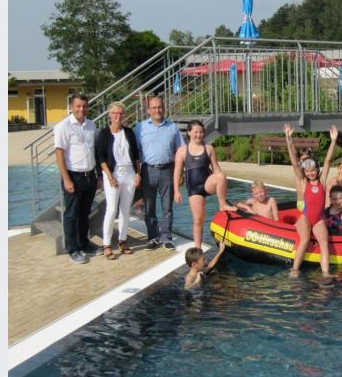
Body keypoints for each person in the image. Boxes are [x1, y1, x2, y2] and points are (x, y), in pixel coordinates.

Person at [284, 123, 338, 279]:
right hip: (306, 218)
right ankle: (295, 269)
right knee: (305, 239)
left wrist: (333, 140)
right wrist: (288, 139)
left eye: (313, 170)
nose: (310, 173)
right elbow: (294, 163)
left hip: (319, 219)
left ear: (317, 170)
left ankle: (326, 273)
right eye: (307, 171)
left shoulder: (322, 180)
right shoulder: (304, 181)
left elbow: (328, 161)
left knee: (324, 244)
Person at [174, 120, 237, 250]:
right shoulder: (182, 151)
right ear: (189, 133)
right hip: (194, 188)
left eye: (201, 132)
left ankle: (222, 204)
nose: (198, 135)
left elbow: (216, 169)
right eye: (196, 132)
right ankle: (198, 248)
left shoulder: (208, 148)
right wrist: (176, 191)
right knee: (198, 220)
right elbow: (177, 172)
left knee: (221, 176)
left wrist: (222, 183)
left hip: (207, 183)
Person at [134, 96, 185, 250]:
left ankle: (166, 237)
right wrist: (137, 173)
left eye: (160, 107)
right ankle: (153, 237)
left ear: (164, 108)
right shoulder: (140, 127)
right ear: (149, 110)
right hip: (147, 171)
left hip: (167, 170)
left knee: (167, 207)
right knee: (149, 207)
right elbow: (135, 153)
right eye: (154, 107)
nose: (157, 110)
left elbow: (181, 151)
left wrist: (181, 172)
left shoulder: (172, 127)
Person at [54, 94, 98, 264]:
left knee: (84, 213)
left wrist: (97, 175)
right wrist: (66, 179)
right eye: (78, 106)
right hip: (73, 176)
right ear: (71, 107)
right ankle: (72, 249)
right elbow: (59, 154)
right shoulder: (64, 126)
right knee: (71, 214)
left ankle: (84, 244)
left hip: (89, 176)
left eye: (84, 106)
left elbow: (93, 151)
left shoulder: (91, 125)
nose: (82, 109)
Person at [95, 102, 141, 260]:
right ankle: (107, 244)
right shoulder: (103, 134)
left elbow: (135, 155)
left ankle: (122, 240)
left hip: (129, 174)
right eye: (115, 113)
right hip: (113, 174)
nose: (118, 116)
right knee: (111, 209)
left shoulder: (129, 132)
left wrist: (137, 173)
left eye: (121, 113)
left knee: (125, 210)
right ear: (109, 115)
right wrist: (109, 176)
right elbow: (100, 157)